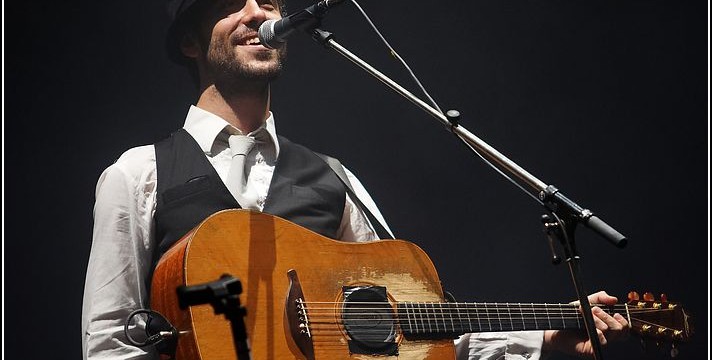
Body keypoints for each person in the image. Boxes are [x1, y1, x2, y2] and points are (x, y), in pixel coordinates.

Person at [81, 0, 629, 359]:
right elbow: (107, 343)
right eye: (230, 5)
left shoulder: (332, 178)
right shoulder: (138, 174)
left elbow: (407, 321)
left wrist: (547, 337)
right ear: (190, 43)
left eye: (268, 2)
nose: (255, 13)